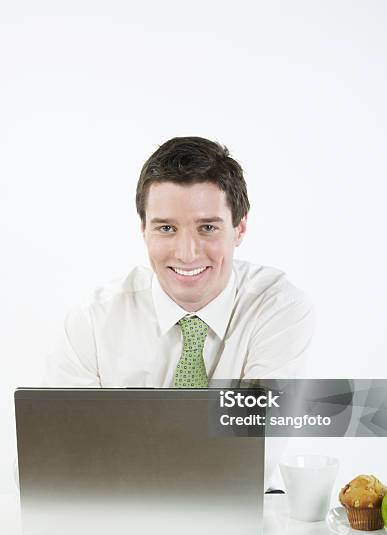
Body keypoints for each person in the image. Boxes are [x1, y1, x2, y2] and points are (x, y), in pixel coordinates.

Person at [43, 136, 315, 488]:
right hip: (115, 514)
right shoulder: (93, 321)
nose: (187, 254)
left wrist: (119, 444)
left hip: (239, 514)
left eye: (208, 228)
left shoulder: (278, 309)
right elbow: (53, 459)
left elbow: (251, 452)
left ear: (240, 228)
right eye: (166, 228)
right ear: (143, 229)